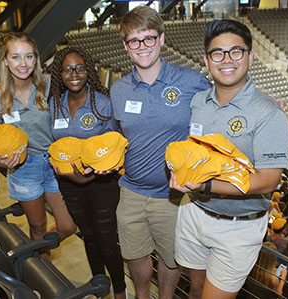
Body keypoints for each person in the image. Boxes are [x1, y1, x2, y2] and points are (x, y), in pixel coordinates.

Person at [170, 20, 288, 298]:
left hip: (238, 227)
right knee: (195, 288)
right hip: (193, 212)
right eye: (218, 53)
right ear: (206, 59)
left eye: (236, 52)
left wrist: (205, 185)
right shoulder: (197, 101)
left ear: (250, 56)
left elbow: (268, 180)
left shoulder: (269, 112)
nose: (226, 60)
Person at [110, 6, 210, 299]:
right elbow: (117, 136)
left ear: (162, 39)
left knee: (171, 258)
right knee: (134, 253)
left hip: (174, 196)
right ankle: (142, 296)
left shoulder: (191, 81)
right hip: (131, 191)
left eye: (149, 38)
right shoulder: (118, 90)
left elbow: (217, 112)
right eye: (134, 41)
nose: (142, 47)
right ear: (125, 46)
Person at [0, 32, 76, 253]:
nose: (23, 64)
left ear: (36, 59)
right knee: (37, 227)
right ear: (5, 61)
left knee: (68, 225)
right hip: (23, 169)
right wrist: (1, 161)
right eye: (15, 57)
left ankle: (27, 254)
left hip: (54, 164)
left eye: (28, 56)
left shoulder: (51, 85)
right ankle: (45, 276)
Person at [48, 46, 126, 299]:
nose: (74, 74)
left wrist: (88, 176)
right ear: (60, 73)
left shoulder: (102, 103)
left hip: (101, 184)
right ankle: (100, 288)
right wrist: (70, 176)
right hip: (69, 184)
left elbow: (115, 144)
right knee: (88, 237)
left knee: (105, 241)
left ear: (88, 71)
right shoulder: (54, 105)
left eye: (80, 68)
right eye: (68, 69)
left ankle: (120, 293)